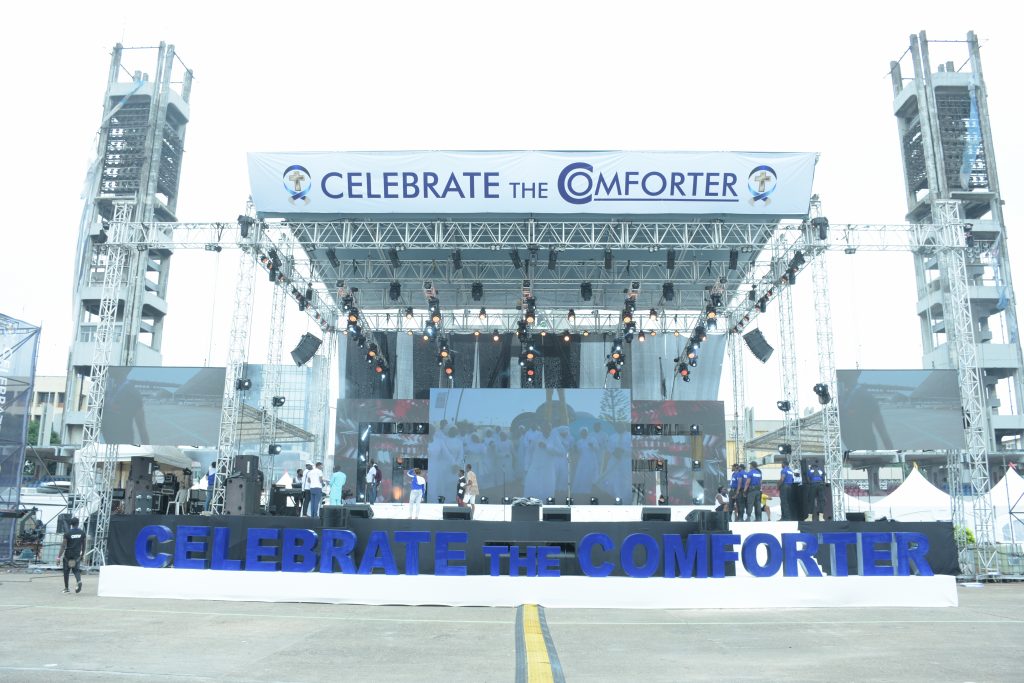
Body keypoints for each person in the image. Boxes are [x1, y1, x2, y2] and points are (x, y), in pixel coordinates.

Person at [57, 517, 86, 594]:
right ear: (78, 523)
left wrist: (58, 557)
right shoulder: (82, 533)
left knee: (66, 571)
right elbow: (84, 545)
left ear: (71, 524)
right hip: (77, 555)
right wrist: (82, 555)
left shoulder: (67, 533)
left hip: (68, 554)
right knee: (76, 570)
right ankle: (79, 581)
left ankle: (66, 588)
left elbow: (63, 546)